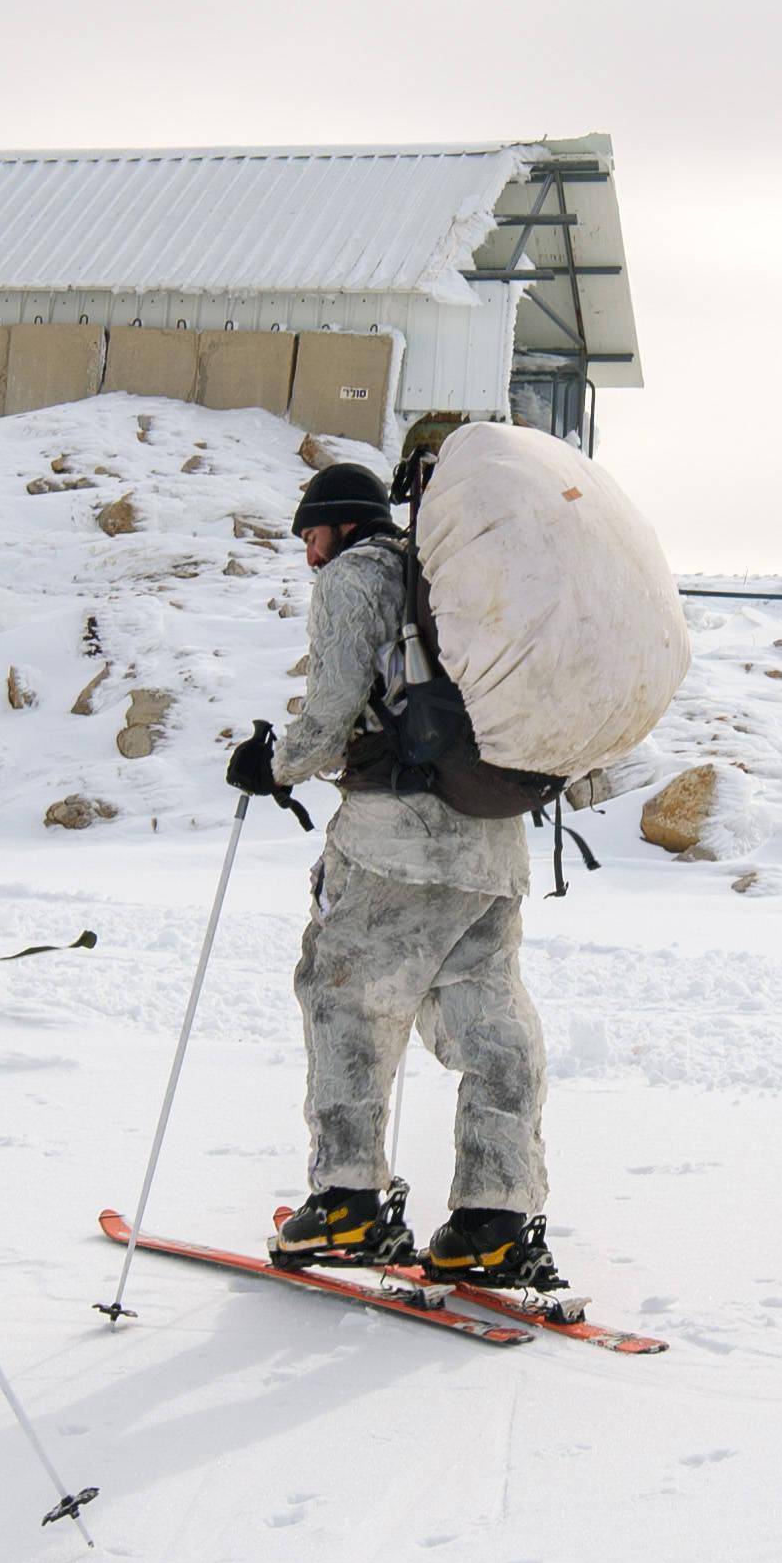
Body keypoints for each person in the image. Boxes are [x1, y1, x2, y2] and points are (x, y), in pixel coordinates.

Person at [229, 450, 563, 1291]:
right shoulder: (453, 581)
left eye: (313, 534)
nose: (311, 552)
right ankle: (493, 1218)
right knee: (490, 1028)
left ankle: (346, 1203)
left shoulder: (356, 579)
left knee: (346, 1003)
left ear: (344, 524)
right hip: (492, 843)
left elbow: (335, 708)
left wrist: (273, 765)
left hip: (396, 843)